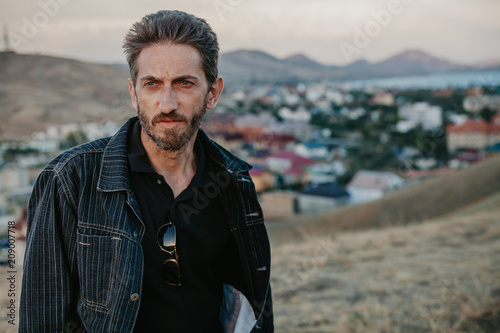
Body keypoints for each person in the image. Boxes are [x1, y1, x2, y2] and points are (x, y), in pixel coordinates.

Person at [20, 10, 273, 332]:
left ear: (213, 93)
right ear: (133, 92)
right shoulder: (71, 179)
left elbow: (256, 307)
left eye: (184, 83)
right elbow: (42, 316)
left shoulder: (234, 183)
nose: (167, 103)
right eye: (152, 84)